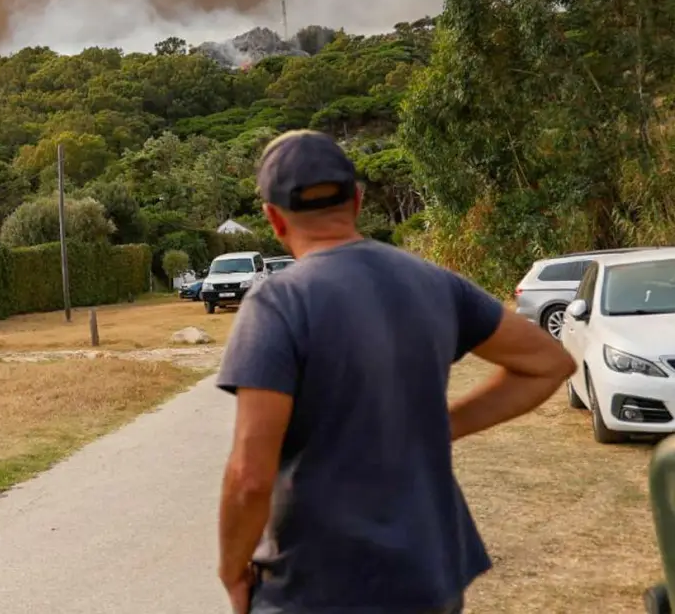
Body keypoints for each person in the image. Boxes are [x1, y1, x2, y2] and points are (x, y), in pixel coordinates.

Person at [216, 130, 575, 613]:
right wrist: (446, 425)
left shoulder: (277, 303)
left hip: (318, 587)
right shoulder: (435, 282)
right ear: (357, 200)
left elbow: (249, 477)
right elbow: (548, 363)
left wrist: (232, 570)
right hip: (429, 578)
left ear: (273, 218)